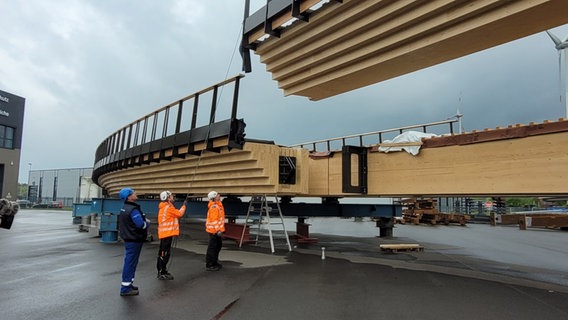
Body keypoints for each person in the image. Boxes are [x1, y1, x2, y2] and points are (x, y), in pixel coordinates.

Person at [118, 188, 149, 296]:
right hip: (134, 239)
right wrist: (147, 223)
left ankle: (128, 283)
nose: (136, 194)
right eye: (133, 193)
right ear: (129, 197)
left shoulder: (124, 208)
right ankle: (125, 288)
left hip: (129, 238)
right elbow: (140, 224)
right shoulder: (133, 210)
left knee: (130, 262)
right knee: (130, 263)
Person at [156, 190, 187, 280]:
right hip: (166, 234)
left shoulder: (167, 207)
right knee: (164, 254)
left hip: (166, 234)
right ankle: (161, 272)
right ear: (167, 198)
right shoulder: (168, 208)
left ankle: (163, 270)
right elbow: (179, 213)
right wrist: (184, 206)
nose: (173, 197)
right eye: (171, 196)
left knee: (164, 253)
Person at [205, 190, 225, 271]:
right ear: (214, 198)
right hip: (214, 231)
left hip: (216, 230)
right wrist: (218, 230)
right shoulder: (214, 207)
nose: (219, 195)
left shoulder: (218, 206)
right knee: (212, 248)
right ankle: (210, 264)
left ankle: (214, 262)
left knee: (218, 246)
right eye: (217, 195)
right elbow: (214, 220)